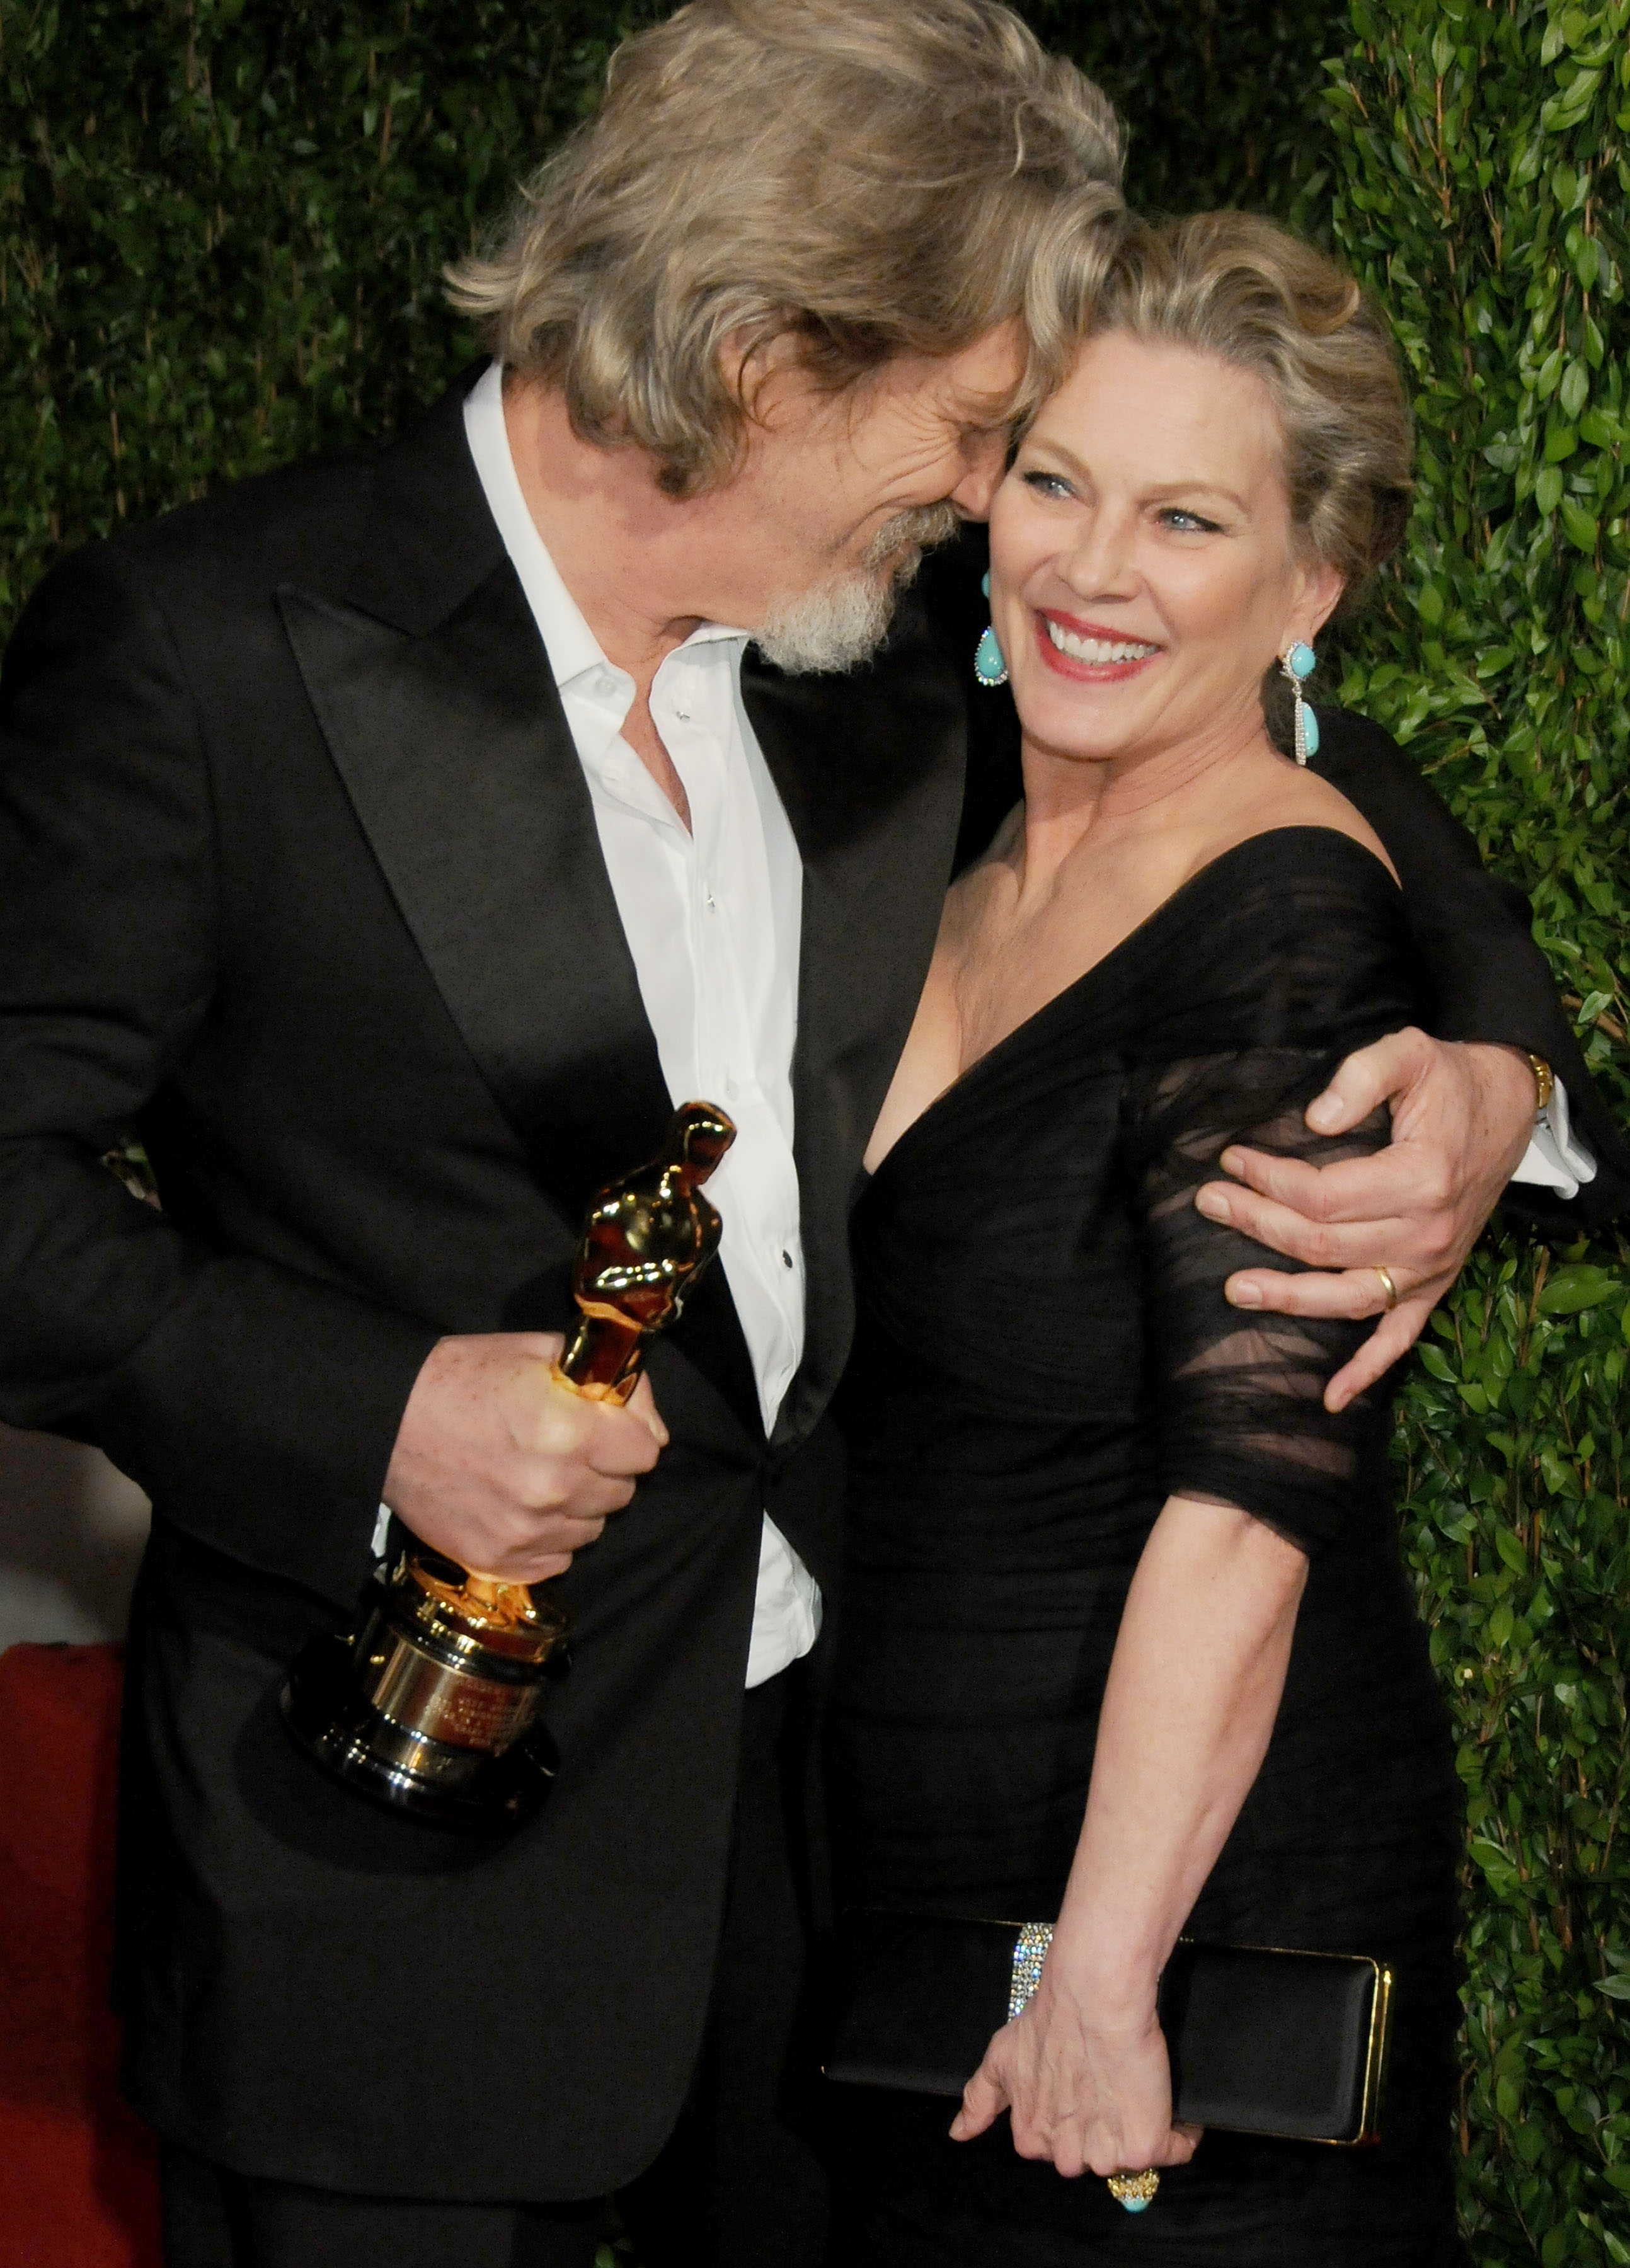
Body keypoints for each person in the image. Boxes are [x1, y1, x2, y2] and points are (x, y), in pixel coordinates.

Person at [0, 5, 1617, 2264]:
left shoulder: (862, 642)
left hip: (837, 1920)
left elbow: (1293, 747)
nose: (992, 505)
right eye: (981, 433)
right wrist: (369, 1408)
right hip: (390, 1905)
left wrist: (1500, 1077)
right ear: (767, 357)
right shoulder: (208, 655)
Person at [824, 212, 1628, 2267]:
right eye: (1055, 482)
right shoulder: (942, 837)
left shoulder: (1273, 908)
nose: (1090, 570)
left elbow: (1250, 1496)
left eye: (1184, 518)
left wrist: (1098, 1971)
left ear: (1310, 583)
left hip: (1183, 1930)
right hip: (905, 1901)